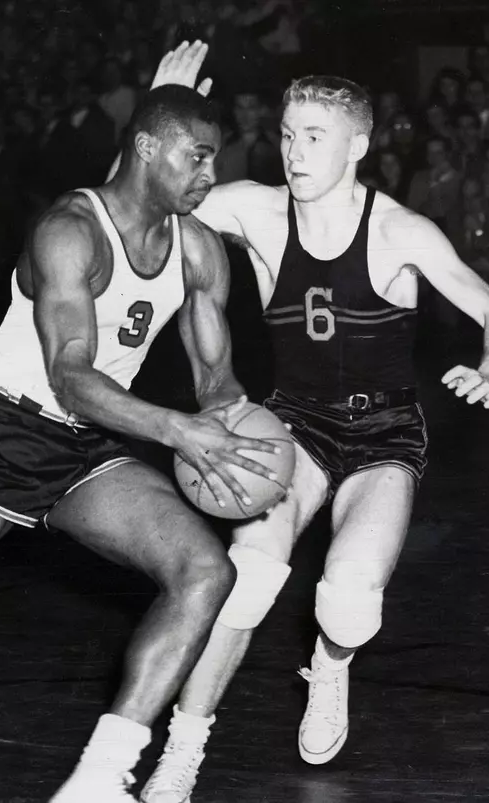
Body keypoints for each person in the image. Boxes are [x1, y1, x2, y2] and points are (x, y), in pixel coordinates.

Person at [0, 83, 282, 803]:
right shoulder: (69, 230)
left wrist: (243, 442)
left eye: (214, 160)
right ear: (147, 147)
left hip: (92, 444)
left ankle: (97, 780)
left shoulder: (198, 249)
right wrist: (176, 430)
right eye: (197, 157)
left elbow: (216, 381)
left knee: (204, 573)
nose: (209, 175)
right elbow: (70, 377)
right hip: (8, 431)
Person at [138, 50, 489, 803]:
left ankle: (331, 664)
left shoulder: (401, 231)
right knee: (249, 579)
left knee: (349, 599)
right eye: (288, 134)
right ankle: (181, 752)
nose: (295, 152)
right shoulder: (256, 209)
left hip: (384, 434)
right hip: (295, 425)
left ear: (357, 144)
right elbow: (136, 203)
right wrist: (158, 116)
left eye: (315, 137)